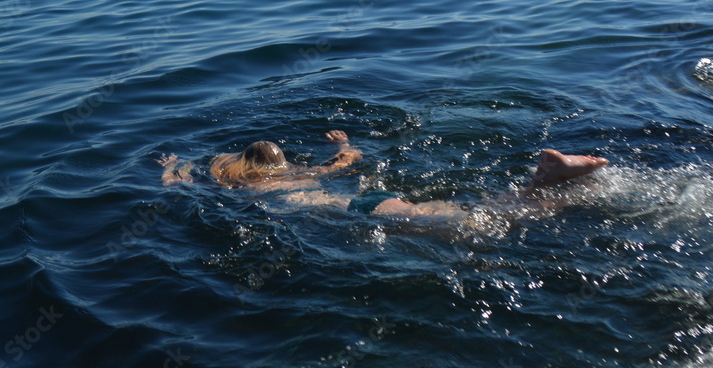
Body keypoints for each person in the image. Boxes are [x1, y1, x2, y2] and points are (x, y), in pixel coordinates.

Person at [158, 132, 609, 220]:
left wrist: (172, 172)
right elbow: (347, 162)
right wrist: (342, 145)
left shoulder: (246, 187)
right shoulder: (302, 172)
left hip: (362, 209)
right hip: (371, 196)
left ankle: (543, 185)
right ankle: (553, 186)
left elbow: (182, 188)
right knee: (465, 212)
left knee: (474, 222)